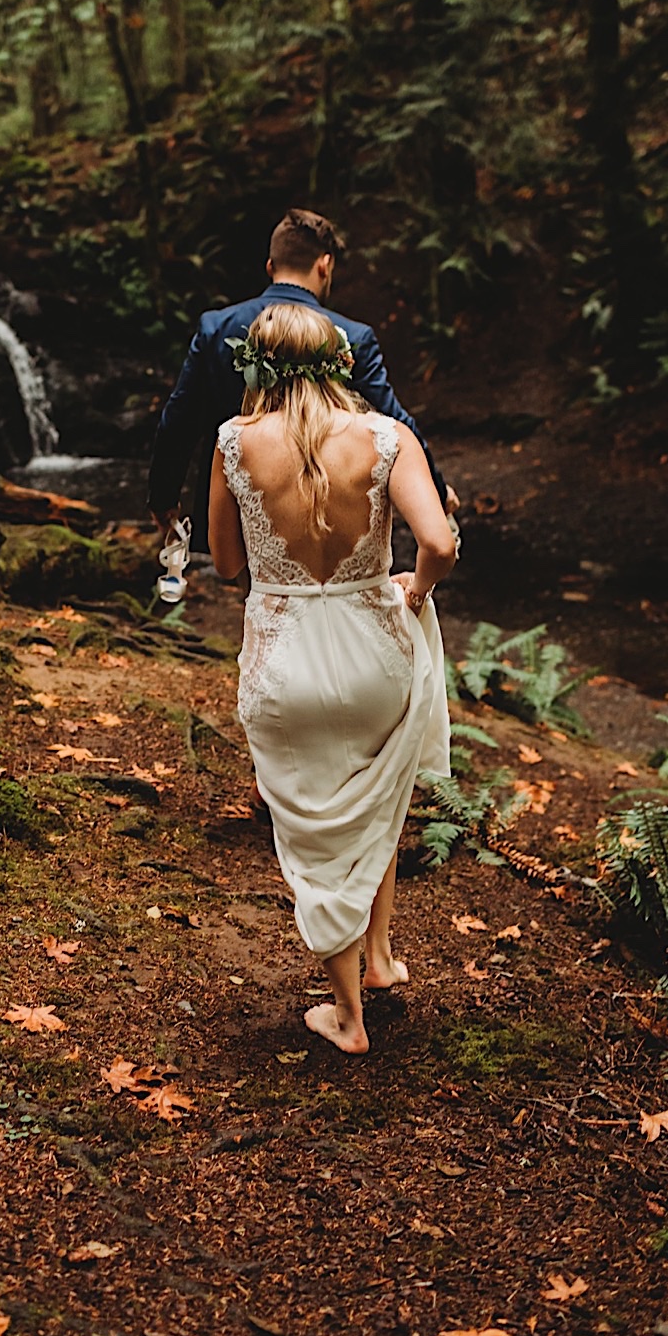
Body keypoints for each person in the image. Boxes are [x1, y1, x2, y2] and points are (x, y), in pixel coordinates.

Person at [208, 302, 456, 1054]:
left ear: (258, 367)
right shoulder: (387, 438)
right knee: (376, 798)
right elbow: (439, 542)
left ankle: (350, 1013)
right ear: (341, 361)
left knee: (315, 832)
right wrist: (415, 588)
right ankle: (374, 959)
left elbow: (225, 564)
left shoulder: (233, 442)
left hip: (284, 663)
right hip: (374, 653)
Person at [150, 208, 456, 549]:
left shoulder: (215, 328)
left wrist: (163, 498)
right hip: (326, 513)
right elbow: (394, 421)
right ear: (325, 265)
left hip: (236, 516)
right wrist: (437, 491)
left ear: (270, 266)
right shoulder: (351, 336)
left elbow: (179, 420)